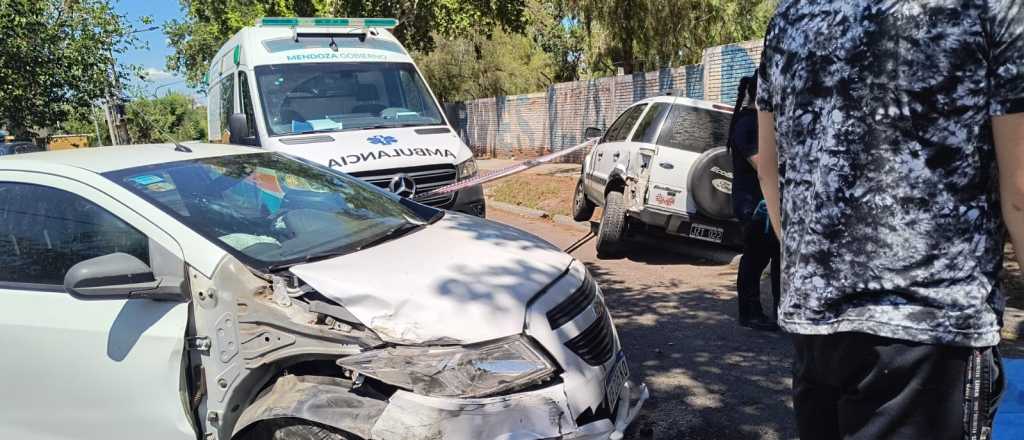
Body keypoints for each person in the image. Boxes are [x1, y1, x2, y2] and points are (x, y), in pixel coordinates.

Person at [756, 1, 1023, 438]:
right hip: (930, 331)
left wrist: (813, 267)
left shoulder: (791, 14)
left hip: (817, 329)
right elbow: (1020, 193)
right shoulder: (991, 8)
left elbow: (769, 167)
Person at [727, 75, 780, 331]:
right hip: (752, 204)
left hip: (764, 202)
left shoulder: (758, 123)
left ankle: (775, 311)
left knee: (773, 257)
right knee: (755, 258)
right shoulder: (746, 124)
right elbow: (761, 166)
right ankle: (749, 312)